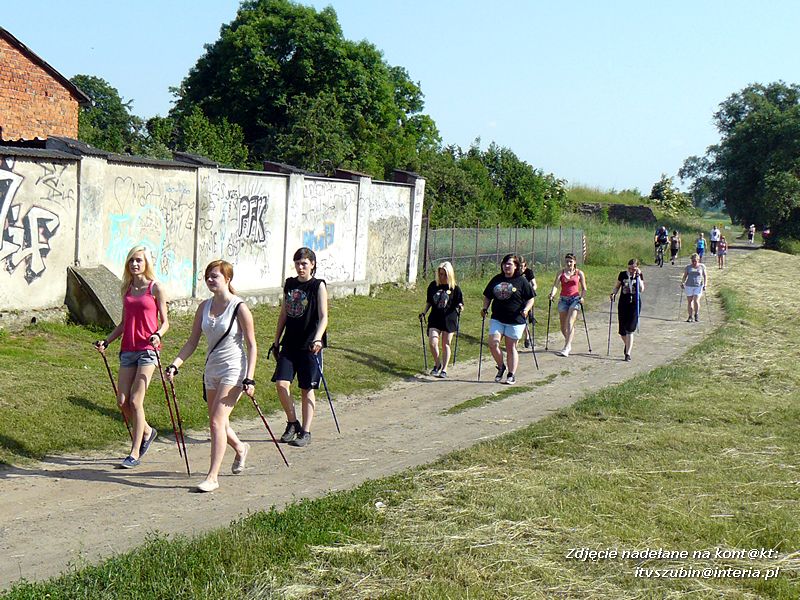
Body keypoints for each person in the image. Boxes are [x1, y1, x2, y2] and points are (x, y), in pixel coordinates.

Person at [165, 260, 257, 493]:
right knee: (218, 422)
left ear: (227, 279)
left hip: (234, 370)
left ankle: (212, 477)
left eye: (214, 276)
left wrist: (250, 377)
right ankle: (240, 448)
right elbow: (192, 341)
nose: (210, 280)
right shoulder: (204, 307)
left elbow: (252, 345)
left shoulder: (239, 307)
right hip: (212, 369)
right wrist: (175, 364)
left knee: (217, 421)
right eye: (207, 276)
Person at [94, 246, 169, 469]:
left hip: (148, 350)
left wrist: (157, 334)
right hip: (128, 349)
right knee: (122, 402)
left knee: (136, 400)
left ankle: (135, 452)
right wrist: (106, 340)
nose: (135, 264)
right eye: (131, 261)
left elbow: (165, 322)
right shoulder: (127, 289)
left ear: (146, 263)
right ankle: (147, 431)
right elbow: (124, 323)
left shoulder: (155, 288)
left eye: (138, 260)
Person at [272, 247, 328, 447]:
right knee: (281, 384)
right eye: (297, 263)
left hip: (309, 346)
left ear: (312, 264)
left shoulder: (318, 286)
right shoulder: (290, 284)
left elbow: (324, 317)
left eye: (304, 263)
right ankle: (292, 422)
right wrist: (277, 339)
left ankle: (306, 431)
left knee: (306, 389)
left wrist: (318, 339)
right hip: (290, 343)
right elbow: (284, 314)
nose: (300, 267)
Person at [481, 254, 535, 385]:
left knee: (511, 347)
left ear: (516, 266)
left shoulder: (521, 281)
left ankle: (511, 374)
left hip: (515, 320)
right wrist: (485, 308)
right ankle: (501, 366)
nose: (506, 266)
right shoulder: (497, 279)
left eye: (509, 264)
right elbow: (488, 295)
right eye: (504, 264)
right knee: (493, 344)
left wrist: (526, 309)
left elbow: (530, 298)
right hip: (497, 318)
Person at [419, 261, 463, 378]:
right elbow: (429, 301)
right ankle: (437, 364)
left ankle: (444, 369)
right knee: (433, 343)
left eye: (444, 274)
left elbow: (460, 302)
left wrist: (460, 307)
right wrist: (424, 312)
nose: (442, 277)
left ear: (450, 274)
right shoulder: (433, 285)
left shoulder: (455, 288)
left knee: (446, 344)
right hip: (435, 317)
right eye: (440, 274)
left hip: (449, 319)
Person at [548, 253, 588, 357]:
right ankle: (569, 342)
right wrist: (552, 294)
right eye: (567, 261)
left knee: (570, 322)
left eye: (571, 261)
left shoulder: (579, 273)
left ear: (574, 262)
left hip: (575, 299)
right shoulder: (560, 272)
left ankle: (566, 347)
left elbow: (584, 289)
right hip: (563, 300)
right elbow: (555, 286)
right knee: (563, 326)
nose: (569, 263)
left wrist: (582, 298)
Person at [610, 259, 644, 362]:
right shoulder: (622, 275)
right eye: (629, 268)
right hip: (623, 303)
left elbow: (642, 289)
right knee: (622, 331)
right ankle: (628, 344)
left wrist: (638, 277)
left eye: (633, 269)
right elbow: (617, 286)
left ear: (637, 268)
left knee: (630, 328)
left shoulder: (639, 275)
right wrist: (613, 293)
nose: (631, 271)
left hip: (635, 303)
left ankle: (628, 353)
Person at [681, 253, 708, 322]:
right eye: (693, 261)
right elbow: (685, 276)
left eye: (695, 261)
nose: (694, 262)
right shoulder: (688, 267)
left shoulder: (702, 266)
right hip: (689, 285)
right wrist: (682, 282)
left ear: (698, 260)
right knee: (690, 301)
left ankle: (696, 314)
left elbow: (705, 276)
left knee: (696, 300)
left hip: (698, 286)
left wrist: (705, 284)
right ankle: (690, 316)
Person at [519, 256, 538, 348]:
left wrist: (530, 292)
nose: (521, 268)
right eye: (519, 266)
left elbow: (534, 285)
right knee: (522, 319)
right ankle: (525, 337)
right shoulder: (515, 273)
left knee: (524, 318)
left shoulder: (528, 272)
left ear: (525, 265)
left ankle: (527, 337)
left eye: (522, 266)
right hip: (518, 298)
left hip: (527, 298)